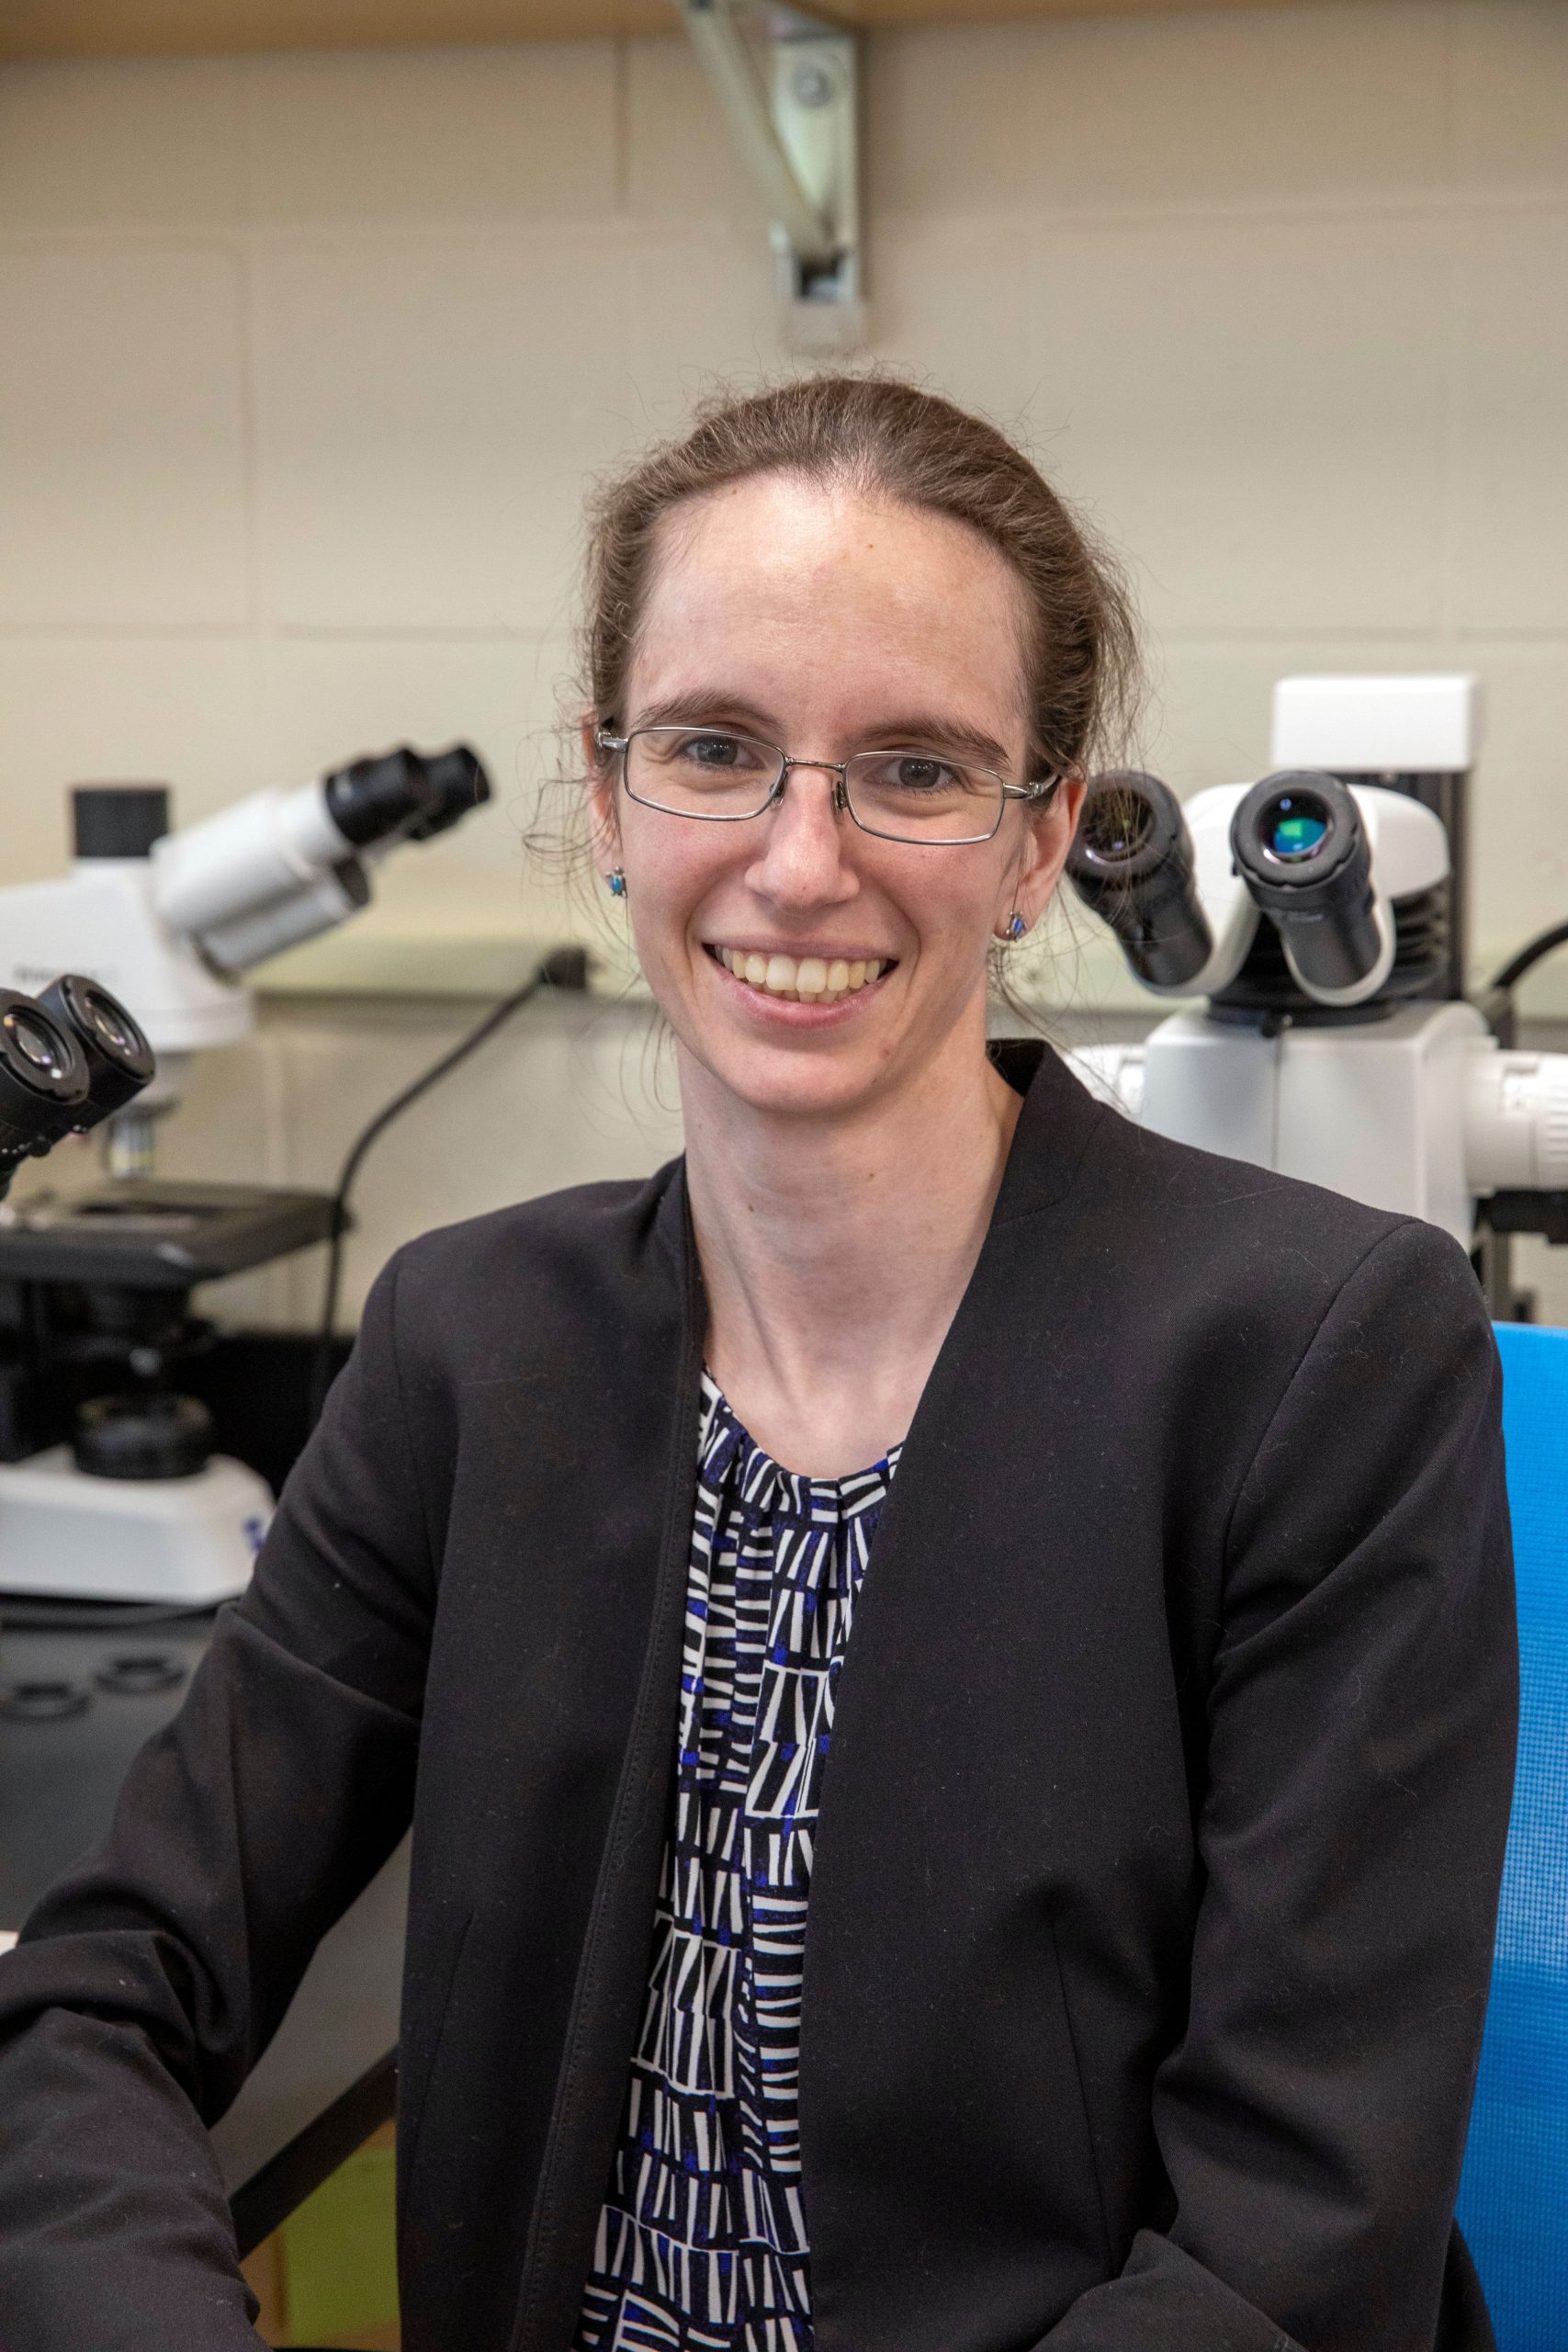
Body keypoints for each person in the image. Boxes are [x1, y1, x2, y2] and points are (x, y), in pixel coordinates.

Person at [0, 377, 1516, 2352]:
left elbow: (1285, 2254)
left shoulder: (1315, 1361)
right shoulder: (473, 1347)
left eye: (910, 768)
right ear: (609, 791)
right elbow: (100, 1992)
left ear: (1040, 833)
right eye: (716, 748)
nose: (800, 862)